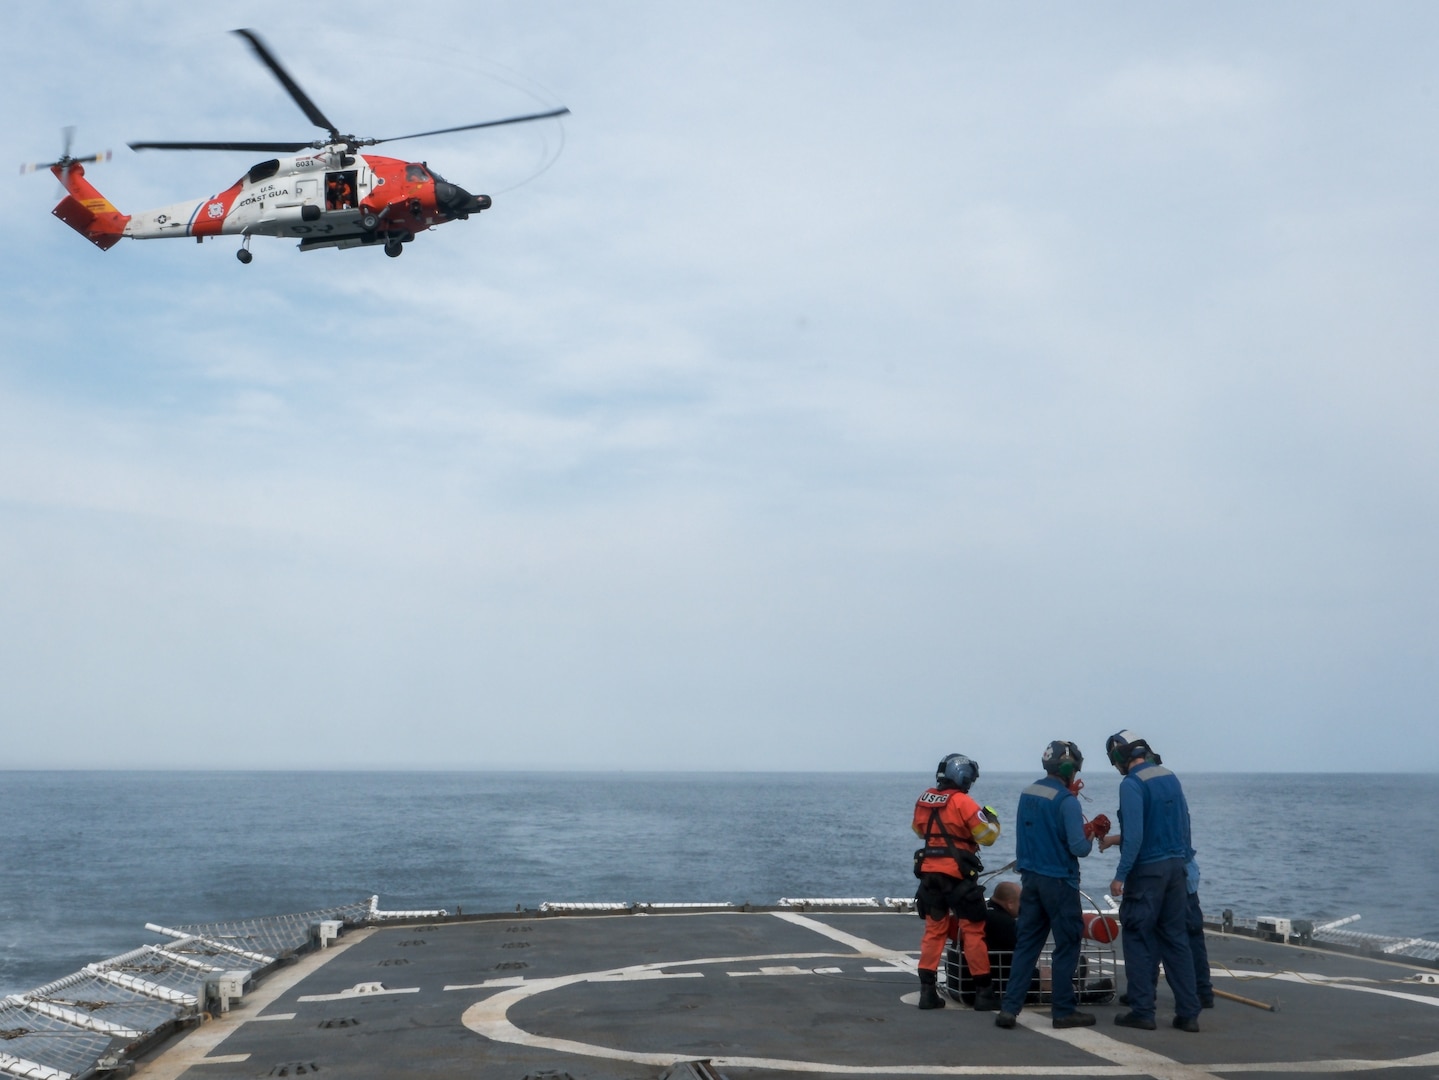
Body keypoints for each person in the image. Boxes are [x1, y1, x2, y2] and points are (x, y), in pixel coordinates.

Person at [1103, 730, 1202, 1032]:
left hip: (1147, 872)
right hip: (1176, 868)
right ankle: (1188, 1013)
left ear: (1120, 757)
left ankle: (1143, 1011)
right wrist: (1184, 864)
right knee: (1175, 939)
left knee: (1138, 937)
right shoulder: (1169, 776)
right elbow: (1184, 823)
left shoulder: (1131, 785)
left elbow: (1134, 836)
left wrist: (1120, 875)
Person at [994, 741, 1097, 1031]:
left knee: (1026, 946)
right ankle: (1063, 1011)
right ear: (1068, 768)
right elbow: (1079, 848)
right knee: (1067, 945)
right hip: (1060, 883)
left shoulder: (1028, 793)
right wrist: (1090, 833)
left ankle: (1009, 1009)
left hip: (1031, 880)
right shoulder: (1067, 801)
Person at [912, 753, 1002, 1011]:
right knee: (973, 930)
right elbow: (986, 837)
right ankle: (984, 991)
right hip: (958, 877)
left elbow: (919, 830)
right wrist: (992, 819)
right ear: (963, 776)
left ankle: (927, 993)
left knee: (934, 930)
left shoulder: (924, 799)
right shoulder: (963, 802)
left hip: (930, 875)